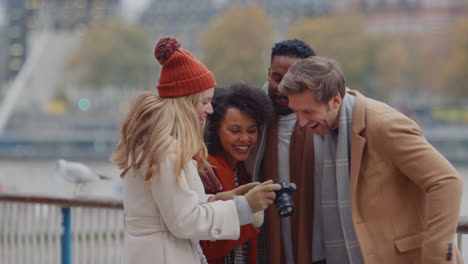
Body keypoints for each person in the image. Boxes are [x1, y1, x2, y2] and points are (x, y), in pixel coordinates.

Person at [111, 37, 281, 264]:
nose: (210, 109)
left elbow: (174, 209)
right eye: (205, 101)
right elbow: (184, 221)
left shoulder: (156, 144)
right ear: (185, 103)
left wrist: (225, 198)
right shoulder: (167, 150)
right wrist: (244, 206)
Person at [279, 55, 464, 263]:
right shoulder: (326, 127)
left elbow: (447, 181)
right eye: (296, 112)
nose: (301, 122)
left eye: (308, 112)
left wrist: (438, 251)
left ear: (336, 100)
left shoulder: (384, 125)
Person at [245, 39, 316, 264]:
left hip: (317, 241)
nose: (283, 87)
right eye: (276, 79)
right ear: (268, 73)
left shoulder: (324, 120)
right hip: (265, 240)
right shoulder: (249, 114)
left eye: (292, 80)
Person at [200, 82, 274, 264]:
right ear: (214, 129)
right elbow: (203, 247)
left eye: (252, 130)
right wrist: (248, 217)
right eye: (234, 131)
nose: (245, 138)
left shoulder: (246, 169)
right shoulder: (204, 169)